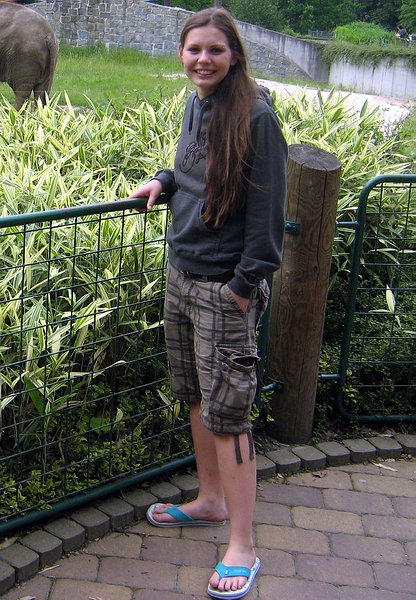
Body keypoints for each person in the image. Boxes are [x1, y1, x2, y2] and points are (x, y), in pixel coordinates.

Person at [128, 7, 287, 599]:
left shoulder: (256, 116)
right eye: (194, 49)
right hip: (181, 274)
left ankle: (243, 545)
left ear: (234, 54)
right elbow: (192, 172)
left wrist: (241, 288)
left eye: (215, 50)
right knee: (195, 395)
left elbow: (267, 219)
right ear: (181, 53)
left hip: (224, 289)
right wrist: (164, 181)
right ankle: (210, 501)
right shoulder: (197, 104)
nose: (203, 59)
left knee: (230, 414)